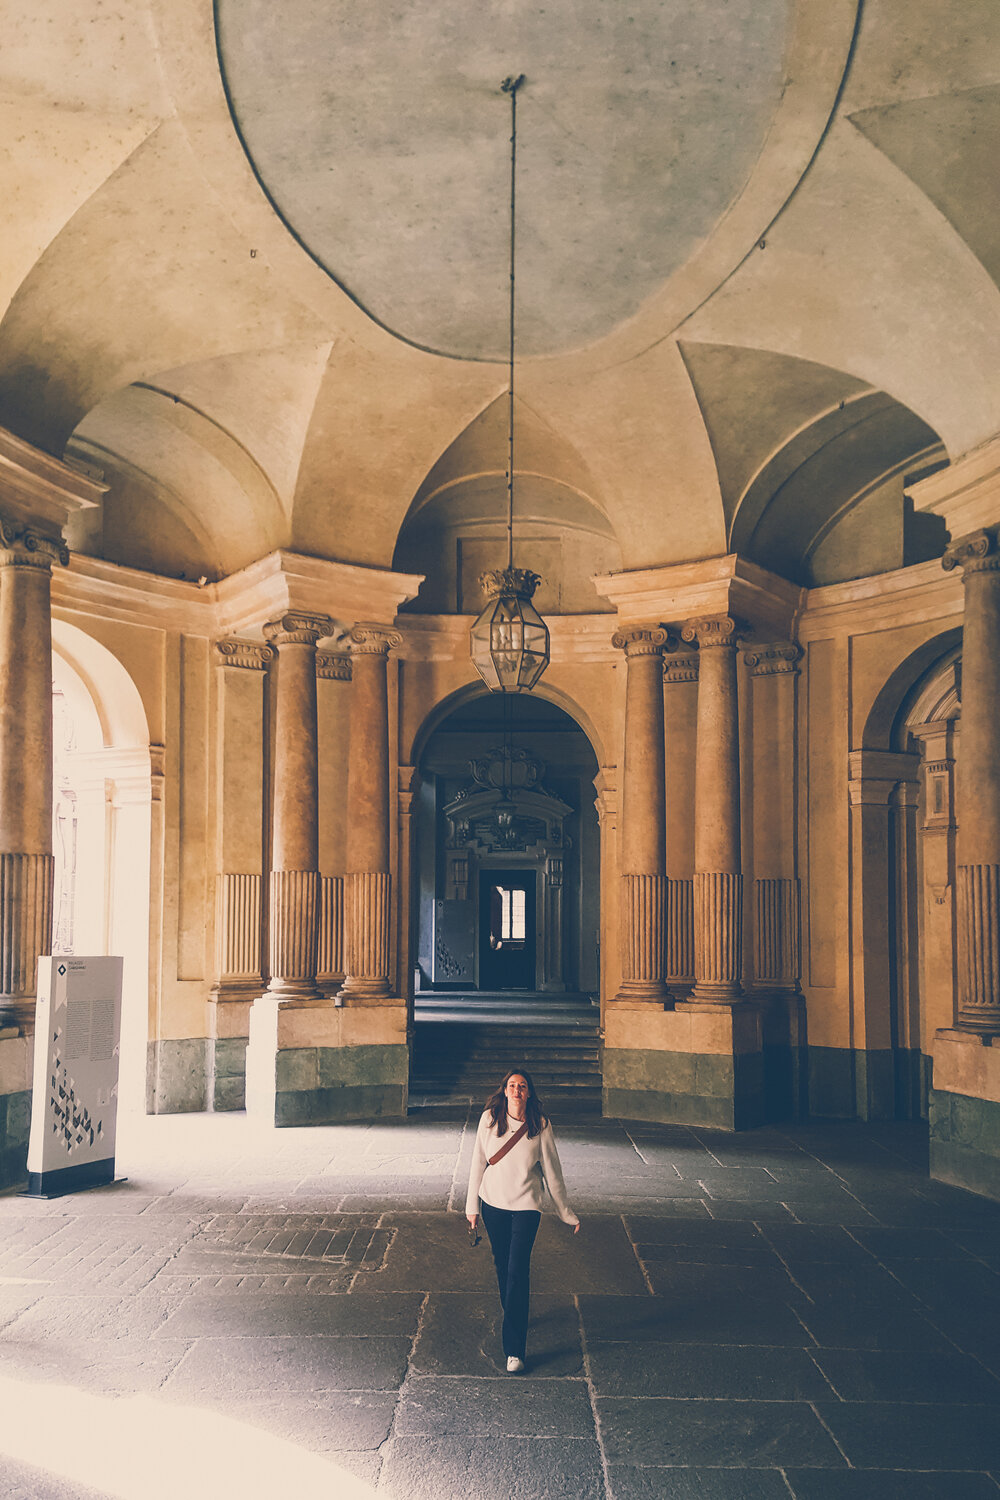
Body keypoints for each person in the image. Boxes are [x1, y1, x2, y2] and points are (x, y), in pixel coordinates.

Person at [466, 1068, 580, 1373]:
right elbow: (478, 1161)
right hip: (493, 1203)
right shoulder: (489, 1119)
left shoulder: (539, 1125)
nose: (517, 1091)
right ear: (504, 1090)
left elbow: (553, 1173)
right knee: (502, 1265)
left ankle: (514, 1349)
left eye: (523, 1086)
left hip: (527, 1206)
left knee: (517, 1270)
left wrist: (566, 1212)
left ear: (529, 1093)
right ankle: (514, 1311)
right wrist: (471, 1206)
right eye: (513, 1085)